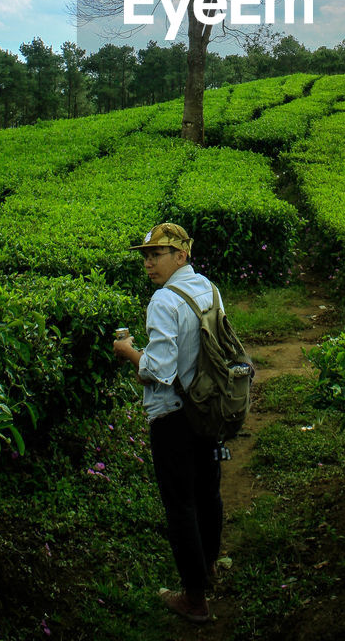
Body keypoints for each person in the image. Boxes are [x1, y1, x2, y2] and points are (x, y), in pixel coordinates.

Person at [113, 222, 223, 625]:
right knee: (207, 491)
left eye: (156, 255)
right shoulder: (209, 289)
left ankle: (194, 600)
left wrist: (128, 351)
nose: (148, 263)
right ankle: (208, 568)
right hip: (207, 408)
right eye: (145, 256)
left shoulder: (163, 301)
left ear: (181, 255)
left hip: (173, 415)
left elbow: (156, 371)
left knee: (181, 505)